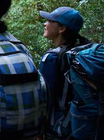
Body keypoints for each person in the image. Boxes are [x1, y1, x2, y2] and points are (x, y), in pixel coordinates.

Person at [38, 7, 90, 139]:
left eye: (50, 21)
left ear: (62, 29)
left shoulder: (52, 58)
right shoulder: (82, 52)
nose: (45, 23)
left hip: (58, 128)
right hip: (81, 124)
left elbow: (44, 99)